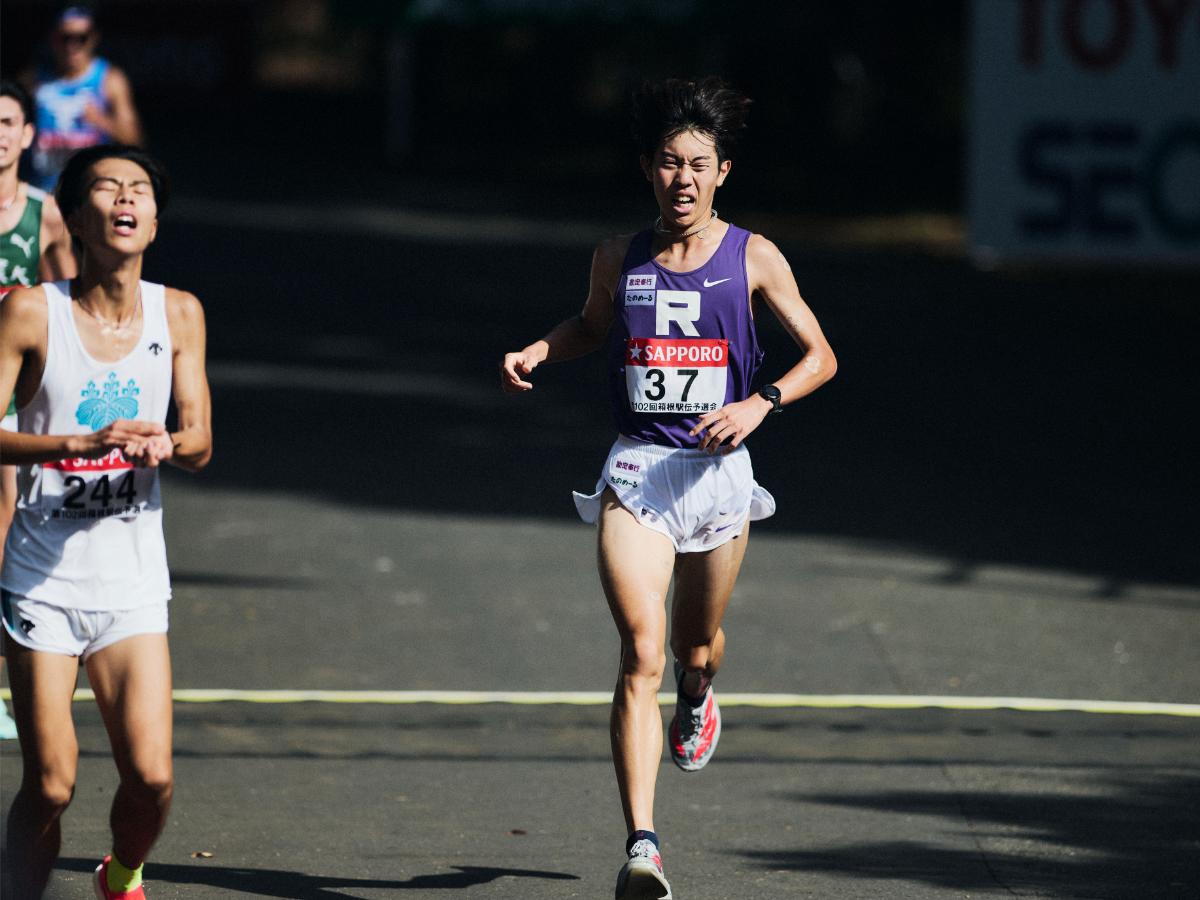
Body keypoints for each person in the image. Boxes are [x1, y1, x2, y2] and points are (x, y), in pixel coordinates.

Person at [501, 77, 837, 900]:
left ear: (722, 171)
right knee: (639, 653)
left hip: (720, 479)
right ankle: (643, 848)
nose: (681, 179)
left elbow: (821, 356)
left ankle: (701, 691)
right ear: (647, 171)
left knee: (694, 646)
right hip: (638, 473)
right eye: (666, 164)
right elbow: (591, 326)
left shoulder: (753, 257)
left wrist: (762, 402)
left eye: (697, 164)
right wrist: (543, 350)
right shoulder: (619, 256)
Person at [0, 144, 212, 899]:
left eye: (142, 189)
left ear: (153, 218)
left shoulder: (179, 311)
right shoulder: (30, 309)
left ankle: (119, 877)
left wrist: (166, 443)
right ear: (73, 216)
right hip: (42, 582)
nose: (127, 197)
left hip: (130, 586)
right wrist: (74, 443)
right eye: (107, 187)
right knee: (51, 785)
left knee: (152, 779)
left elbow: (200, 440)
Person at [0, 78, 77, 742]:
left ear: (28, 134)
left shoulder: (45, 213)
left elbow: (69, 298)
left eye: (7, 121)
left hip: (6, 392)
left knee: (1, 526)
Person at [25, 5, 143, 192]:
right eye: (65, 38)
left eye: (81, 38)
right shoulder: (34, 80)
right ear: (53, 39)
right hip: (43, 191)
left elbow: (135, 139)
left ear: (94, 38)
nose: (72, 46)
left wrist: (102, 121)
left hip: (90, 193)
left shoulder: (109, 79)